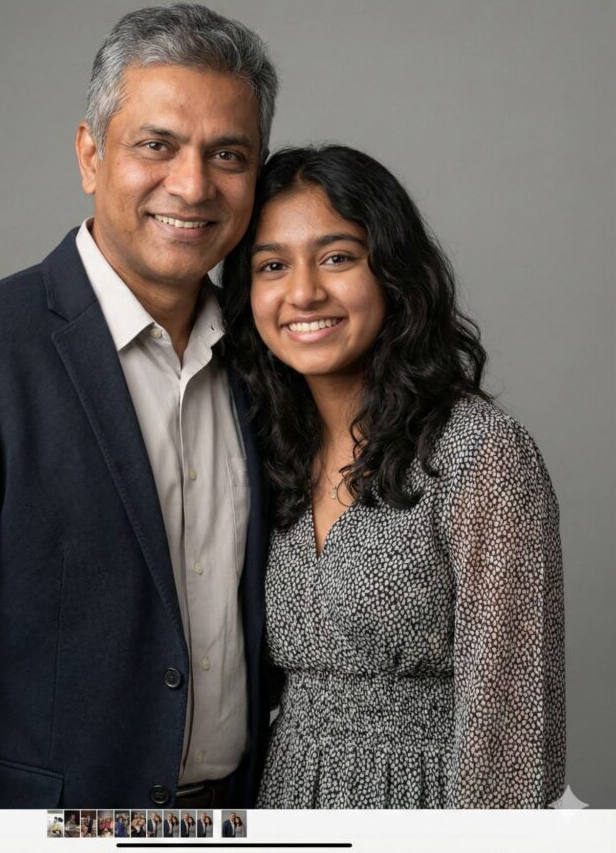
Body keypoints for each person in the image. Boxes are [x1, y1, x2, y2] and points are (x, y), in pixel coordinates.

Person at [0, 3, 277, 809]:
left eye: (228, 154)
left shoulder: (265, 363)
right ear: (90, 153)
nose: (192, 184)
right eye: (157, 144)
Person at [222, 145, 565, 809]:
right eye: (272, 266)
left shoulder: (480, 455)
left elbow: (513, 729)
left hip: (428, 804)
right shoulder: (265, 452)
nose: (304, 292)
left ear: (394, 273)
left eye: (337, 257)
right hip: (286, 800)